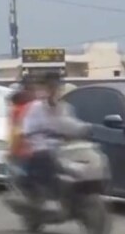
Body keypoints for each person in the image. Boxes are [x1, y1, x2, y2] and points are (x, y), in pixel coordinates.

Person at [19, 71, 90, 200]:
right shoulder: (36, 108)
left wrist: (84, 128)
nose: (54, 90)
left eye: (56, 87)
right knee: (45, 158)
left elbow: (72, 124)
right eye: (51, 87)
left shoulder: (65, 107)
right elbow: (27, 129)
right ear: (45, 88)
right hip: (42, 145)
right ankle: (46, 195)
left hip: (64, 146)